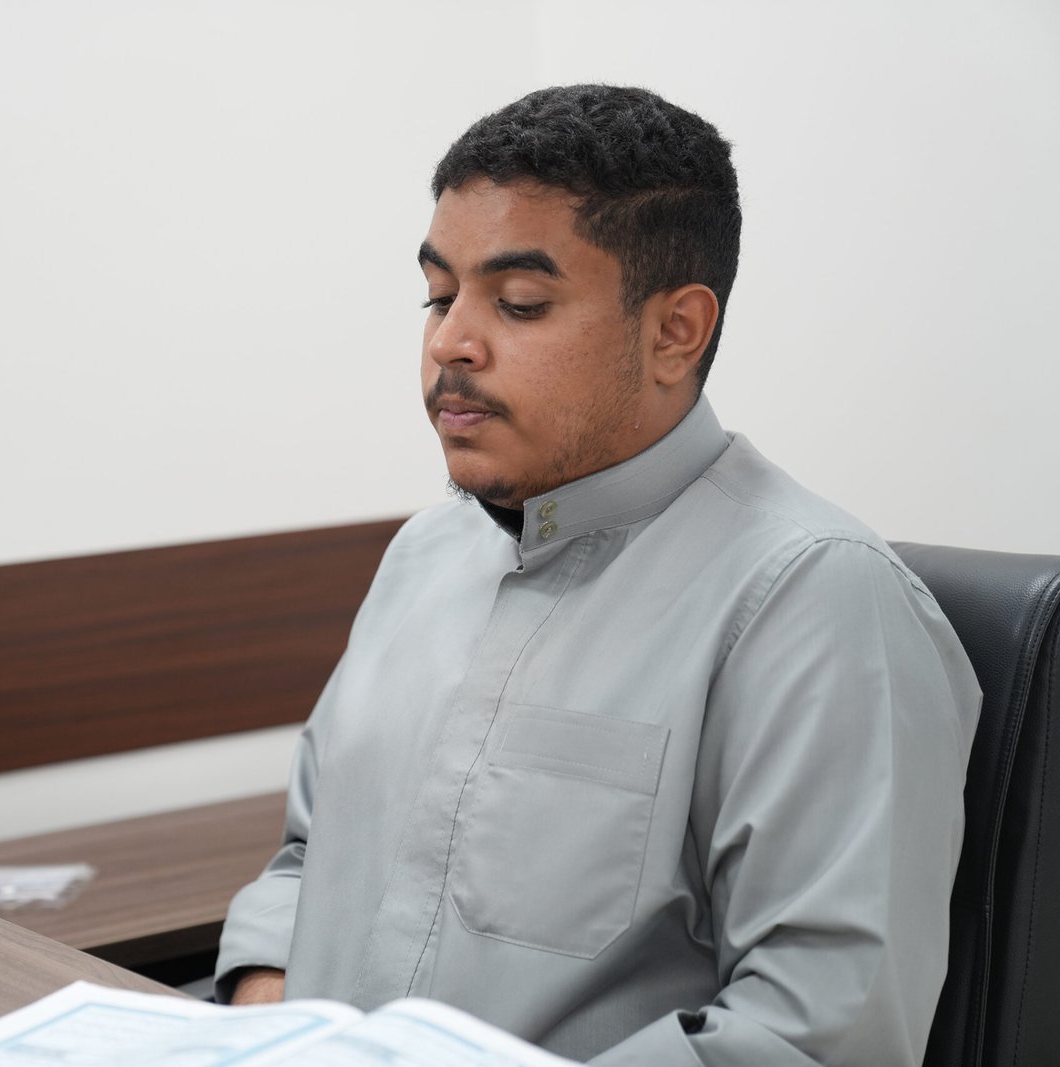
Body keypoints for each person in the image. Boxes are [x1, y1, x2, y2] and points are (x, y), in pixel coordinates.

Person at [212, 85, 981, 1066]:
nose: (450, 342)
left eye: (518, 303)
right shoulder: (423, 555)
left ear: (675, 332)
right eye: (439, 295)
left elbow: (814, 1036)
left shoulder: (815, 602)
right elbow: (309, 856)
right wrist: (267, 1017)